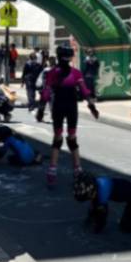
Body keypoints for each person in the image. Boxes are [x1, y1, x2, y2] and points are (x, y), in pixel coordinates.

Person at [37, 44, 99, 188]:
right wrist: (92, 107)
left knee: (58, 138)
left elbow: (46, 92)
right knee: (71, 138)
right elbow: (85, 92)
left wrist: (41, 109)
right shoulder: (75, 73)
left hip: (59, 106)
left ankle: (53, 170)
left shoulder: (53, 72)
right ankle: (76, 169)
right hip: (70, 107)